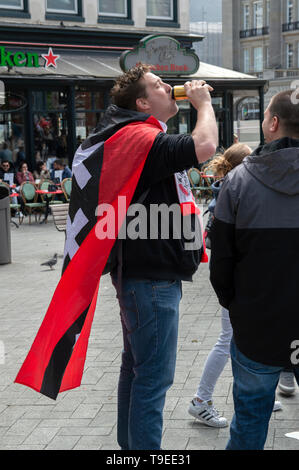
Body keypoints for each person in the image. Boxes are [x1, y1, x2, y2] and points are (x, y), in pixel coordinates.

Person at [93, 64, 218, 450]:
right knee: (153, 379)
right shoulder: (141, 139)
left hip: (141, 275)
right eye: (158, 85)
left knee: (136, 370)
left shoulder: (138, 137)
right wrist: (204, 103)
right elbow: (205, 146)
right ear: (143, 102)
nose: (169, 86)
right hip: (151, 280)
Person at [209, 89, 299, 450]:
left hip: (257, 325)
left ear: (274, 123)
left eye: (263, 117)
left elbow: (222, 262)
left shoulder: (237, 182)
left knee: (249, 422)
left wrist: (237, 304)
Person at [188, 143, 282, 428]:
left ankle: (258, 392)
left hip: (240, 282)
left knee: (243, 338)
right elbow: (219, 242)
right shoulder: (235, 191)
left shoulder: (232, 188)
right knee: (227, 340)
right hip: (239, 283)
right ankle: (201, 400)